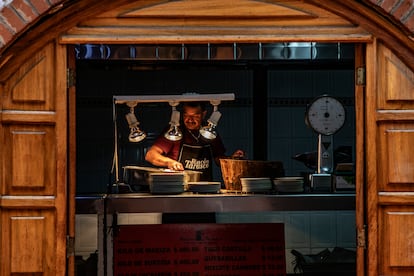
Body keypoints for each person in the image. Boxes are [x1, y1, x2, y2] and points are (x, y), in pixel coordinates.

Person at [145, 101, 244, 181]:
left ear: (203, 114)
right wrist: (169, 163)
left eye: (195, 116)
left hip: (205, 189)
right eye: (186, 116)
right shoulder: (174, 131)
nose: (190, 120)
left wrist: (232, 159)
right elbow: (150, 155)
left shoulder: (209, 131)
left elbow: (218, 159)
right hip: (179, 188)